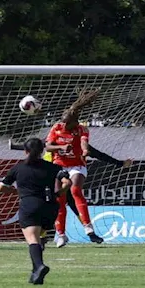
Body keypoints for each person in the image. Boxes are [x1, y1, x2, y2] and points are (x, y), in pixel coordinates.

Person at [0, 138, 72, 285]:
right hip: (50, 207)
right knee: (39, 238)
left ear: (25, 151)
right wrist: (58, 193)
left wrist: (16, 192)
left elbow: (1, 188)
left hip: (30, 205)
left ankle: (39, 265)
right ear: (42, 151)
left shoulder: (18, 168)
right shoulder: (53, 167)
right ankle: (35, 274)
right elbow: (68, 183)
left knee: (32, 239)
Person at [45, 89, 104, 247]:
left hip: (76, 165)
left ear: (74, 123)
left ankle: (88, 228)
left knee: (76, 190)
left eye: (68, 123)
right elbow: (48, 146)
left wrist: (85, 151)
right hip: (59, 165)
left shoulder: (81, 129)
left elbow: (84, 142)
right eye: (64, 123)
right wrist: (61, 147)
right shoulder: (57, 127)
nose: (65, 125)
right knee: (60, 199)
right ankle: (61, 235)